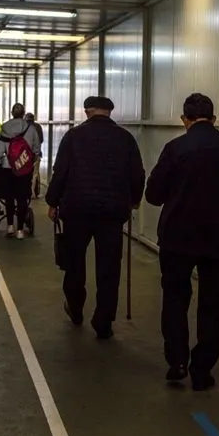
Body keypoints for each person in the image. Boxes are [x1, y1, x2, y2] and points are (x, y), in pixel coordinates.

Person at [145, 93, 219, 391]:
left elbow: (153, 194)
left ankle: (177, 361)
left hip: (178, 237)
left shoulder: (176, 148)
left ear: (184, 119)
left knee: (176, 298)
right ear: (214, 119)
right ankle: (202, 369)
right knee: (214, 304)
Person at [45, 96, 145, 340]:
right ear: (109, 112)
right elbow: (137, 173)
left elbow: (61, 171)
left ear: (87, 112)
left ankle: (76, 308)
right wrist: (134, 199)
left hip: (76, 210)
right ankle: (103, 321)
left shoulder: (73, 137)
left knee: (74, 262)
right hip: (112, 212)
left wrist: (52, 201)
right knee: (109, 268)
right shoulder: (125, 138)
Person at [0, 103, 42, 239]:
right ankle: (20, 230)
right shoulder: (31, 128)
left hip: (8, 167)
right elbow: (36, 148)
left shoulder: (4, 127)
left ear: (11, 112)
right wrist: (32, 160)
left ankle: (10, 226)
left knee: (9, 197)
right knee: (22, 198)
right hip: (24, 167)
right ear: (23, 113)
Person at [25, 112, 44, 198]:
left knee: (24, 172)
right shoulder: (38, 127)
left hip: (24, 154)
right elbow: (41, 140)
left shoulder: (23, 127)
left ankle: (24, 191)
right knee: (34, 173)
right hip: (36, 154)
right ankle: (32, 192)